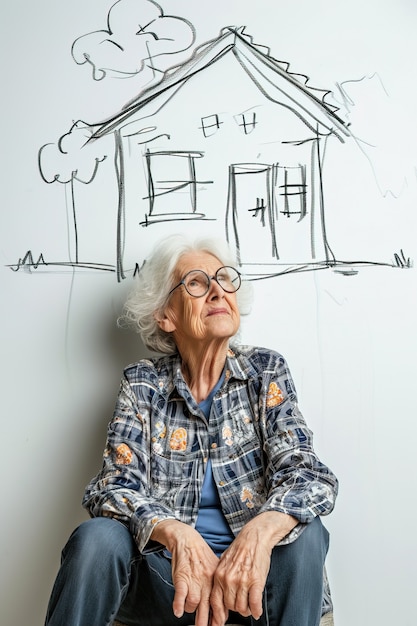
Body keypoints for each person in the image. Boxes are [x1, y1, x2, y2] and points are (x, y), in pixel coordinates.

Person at [45, 234, 338, 626]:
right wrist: (176, 533)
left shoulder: (265, 372)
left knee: (307, 533)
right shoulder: (142, 385)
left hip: (254, 582)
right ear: (166, 315)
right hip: (170, 583)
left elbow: (309, 477)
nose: (217, 290)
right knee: (97, 537)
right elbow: (113, 489)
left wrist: (259, 531)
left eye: (224, 279)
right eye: (197, 283)